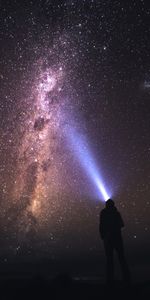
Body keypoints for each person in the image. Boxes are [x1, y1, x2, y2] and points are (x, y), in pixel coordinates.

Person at [99, 199, 130, 285]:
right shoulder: (115, 213)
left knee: (111, 259)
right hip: (115, 238)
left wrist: (103, 235)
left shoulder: (104, 213)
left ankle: (110, 281)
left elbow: (101, 225)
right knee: (120, 258)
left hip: (110, 238)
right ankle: (126, 279)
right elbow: (121, 224)